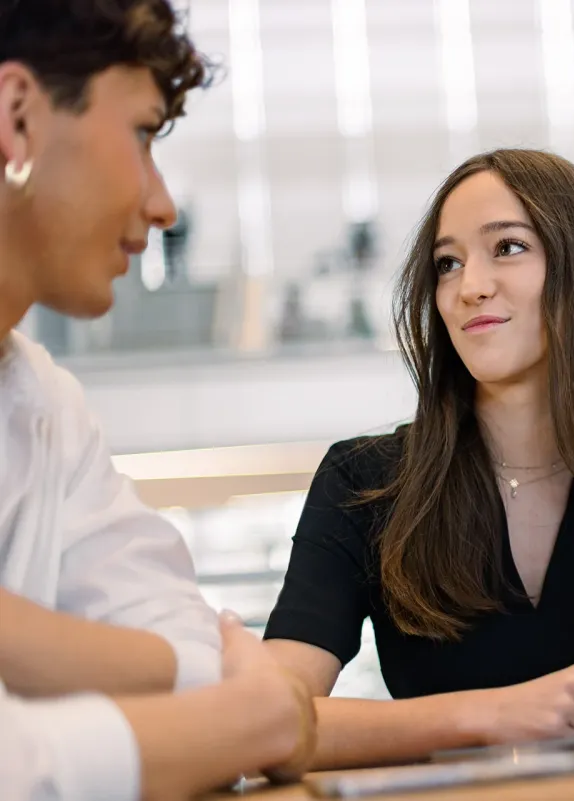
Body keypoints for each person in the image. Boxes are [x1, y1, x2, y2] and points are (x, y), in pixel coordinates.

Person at [264, 148, 574, 769]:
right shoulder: (364, 481)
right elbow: (267, 723)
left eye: (508, 248)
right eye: (448, 263)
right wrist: (487, 716)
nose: (469, 287)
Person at [0, 1, 315, 797]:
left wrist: (24, 642)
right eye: (143, 135)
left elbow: (190, 643)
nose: (163, 204)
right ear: (16, 117)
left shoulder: (49, 405)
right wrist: (244, 720)